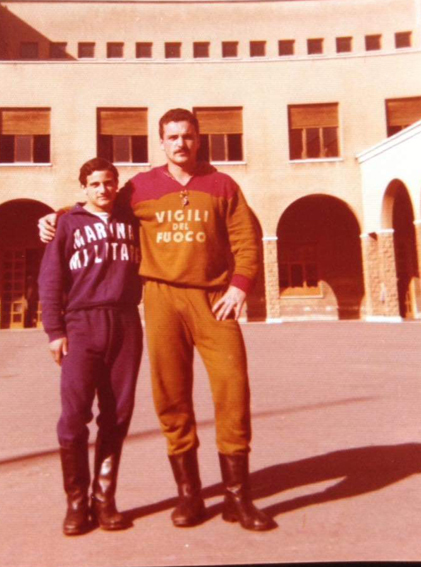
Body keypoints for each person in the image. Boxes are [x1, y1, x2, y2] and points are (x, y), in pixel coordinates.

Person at [39, 109, 276, 531]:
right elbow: (98, 202)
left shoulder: (223, 185)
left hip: (213, 299)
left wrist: (239, 287)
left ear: (198, 139)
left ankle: (238, 497)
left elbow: (246, 238)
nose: (180, 143)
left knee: (233, 389)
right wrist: (57, 216)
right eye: (172, 137)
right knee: (171, 396)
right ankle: (189, 495)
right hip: (161, 298)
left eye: (187, 136)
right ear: (161, 142)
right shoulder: (140, 187)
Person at [38, 158, 143, 535]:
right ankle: (76, 502)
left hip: (125, 322)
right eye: (95, 184)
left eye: (109, 182)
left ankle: (104, 499)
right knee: (73, 416)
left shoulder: (132, 220)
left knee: (118, 415)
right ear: (83, 188)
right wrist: (55, 330)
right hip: (81, 323)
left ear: (117, 185)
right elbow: (51, 280)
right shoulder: (67, 224)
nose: (103, 190)